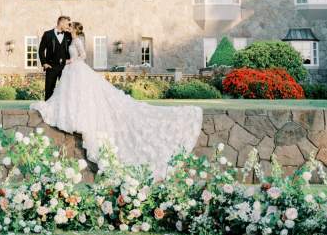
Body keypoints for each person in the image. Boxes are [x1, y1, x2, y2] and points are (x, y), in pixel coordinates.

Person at [31, 21, 203, 179]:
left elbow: (83, 55)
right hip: (71, 70)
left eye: (70, 27)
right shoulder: (69, 39)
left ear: (75, 29)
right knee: (72, 93)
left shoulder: (77, 41)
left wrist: (70, 60)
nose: (68, 28)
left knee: (84, 94)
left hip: (76, 68)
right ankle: (71, 112)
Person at [38, 16, 72, 100]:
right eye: (67, 24)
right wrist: (44, 63)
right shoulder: (48, 34)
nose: (69, 26)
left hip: (65, 67)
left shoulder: (68, 35)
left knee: (65, 90)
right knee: (49, 91)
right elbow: (41, 50)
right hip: (51, 66)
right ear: (61, 23)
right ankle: (46, 111)